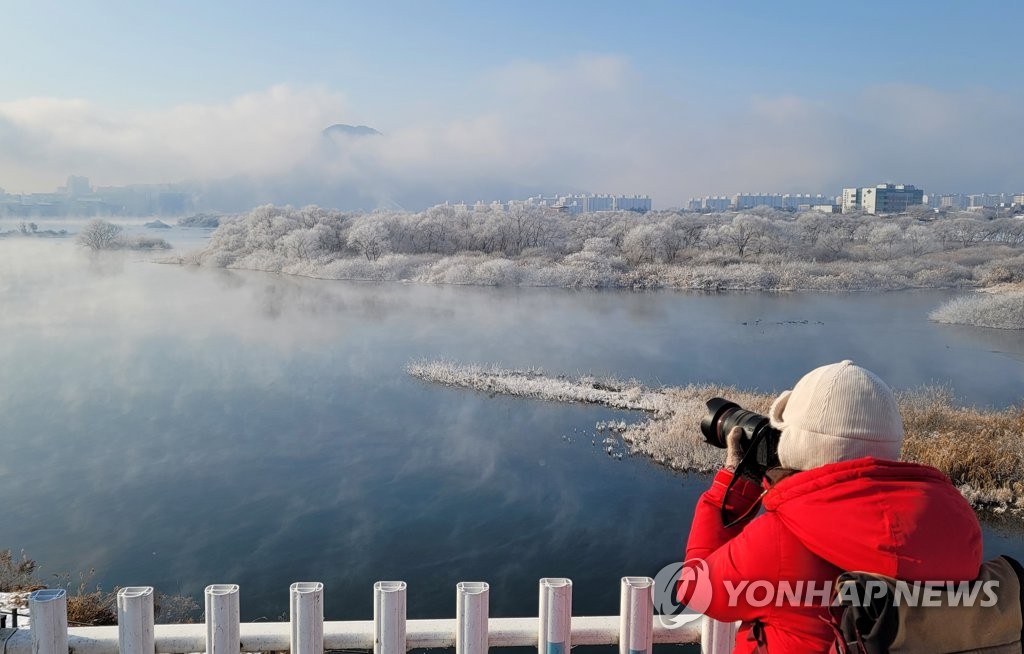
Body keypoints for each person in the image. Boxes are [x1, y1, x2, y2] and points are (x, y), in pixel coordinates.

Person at [676, 360, 983, 653]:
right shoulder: (957, 528)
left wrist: (730, 486)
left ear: (796, 443)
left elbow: (695, 588)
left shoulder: (781, 539)